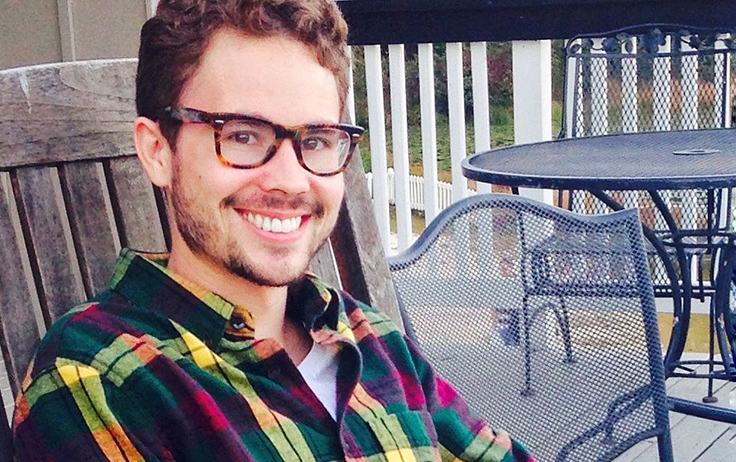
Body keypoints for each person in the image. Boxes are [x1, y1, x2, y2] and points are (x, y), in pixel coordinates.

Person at [12, 1, 534, 461]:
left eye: (317, 140)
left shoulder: (372, 340)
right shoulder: (100, 378)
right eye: (242, 135)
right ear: (157, 151)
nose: (289, 180)